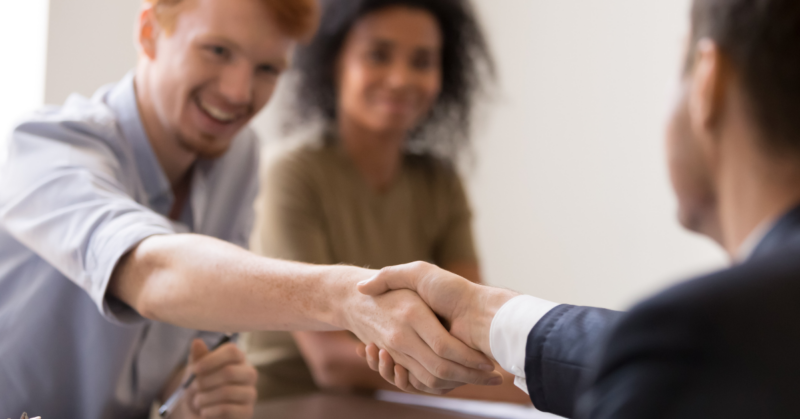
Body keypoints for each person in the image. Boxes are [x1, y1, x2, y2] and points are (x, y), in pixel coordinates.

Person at [0, 0, 503, 417]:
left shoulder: (236, 158)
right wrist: (346, 298)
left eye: (266, 69)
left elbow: (186, 361)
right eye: (217, 50)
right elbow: (151, 272)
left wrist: (191, 396)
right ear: (150, 31)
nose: (239, 94)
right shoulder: (47, 148)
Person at [356, 0, 800, 417]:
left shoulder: (696, 337)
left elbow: (689, 361)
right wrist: (485, 314)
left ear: (709, 83)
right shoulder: (722, 339)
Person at [241, 0, 527, 404]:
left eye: (422, 61)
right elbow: (331, 363)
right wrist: (529, 391)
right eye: (378, 55)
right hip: (287, 404)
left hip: (401, 404)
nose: (400, 78)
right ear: (333, 62)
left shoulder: (440, 183)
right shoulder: (292, 172)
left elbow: (473, 323)